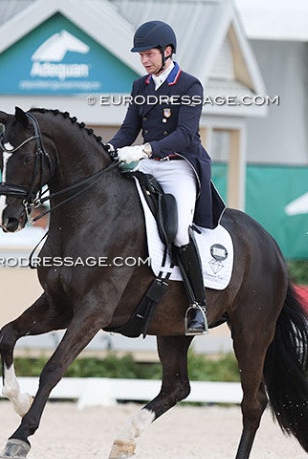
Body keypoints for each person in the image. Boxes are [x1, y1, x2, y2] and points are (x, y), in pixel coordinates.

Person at [107, 20, 225, 336]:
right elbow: (129, 129)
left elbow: (186, 134)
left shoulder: (189, 86)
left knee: (178, 232)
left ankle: (198, 305)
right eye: (141, 55)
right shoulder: (140, 86)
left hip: (179, 166)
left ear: (167, 51)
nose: (144, 60)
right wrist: (108, 149)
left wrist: (146, 150)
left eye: (149, 54)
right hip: (147, 163)